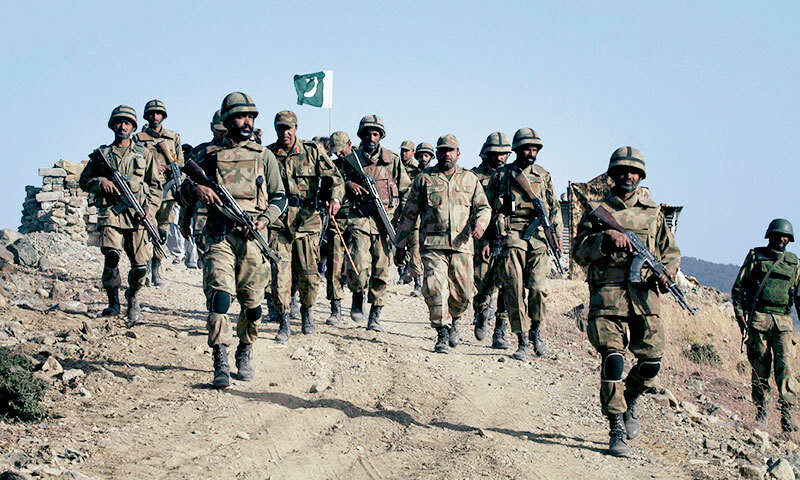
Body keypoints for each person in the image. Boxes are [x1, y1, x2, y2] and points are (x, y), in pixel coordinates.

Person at [572, 146, 680, 457]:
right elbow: (578, 251)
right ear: (613, 174)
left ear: (640, 176)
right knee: (613, 361)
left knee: (651, 362)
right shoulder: (598, 211)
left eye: (633, 171)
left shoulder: (653, 213)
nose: (628, 176)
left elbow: (670, 253)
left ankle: (630, 397)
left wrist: (667, 273)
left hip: (645, 299)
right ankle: (616, 425)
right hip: (608, 297)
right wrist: (603, 240)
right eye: (622, 171)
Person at [180, 92, 287, 388]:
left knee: (253, 307)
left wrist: (264, 220)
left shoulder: (263, 155)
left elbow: (280, 197)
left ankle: (244, 349)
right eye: (241, 116)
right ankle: (220, 358)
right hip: (219, 236)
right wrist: (196, 190)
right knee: (220, 299)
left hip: (253, 238)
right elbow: (181, 191)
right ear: (227, 121)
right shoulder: (208, 154)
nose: (247, 121)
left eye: (251, 116)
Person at [395, 134, 491, 352]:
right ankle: (442, 333)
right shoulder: (424, 179)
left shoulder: (470, 179)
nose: (446, 154)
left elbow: (484, 207)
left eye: (451, 150)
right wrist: (400, 244)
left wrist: (480, 224)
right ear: (437, 154)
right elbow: (409, 213)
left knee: (464, 294)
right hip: (432, 245)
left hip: (462, 246)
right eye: (442, 151)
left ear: (458, 154)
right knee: (435, 289)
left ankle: (455, 319)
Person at [79, 105, 162, 326]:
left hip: (137, 215)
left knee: (140, 266)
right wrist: (100, 182)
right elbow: (84, 181)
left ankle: (132, 296)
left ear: (133, 127)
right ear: (112, 125)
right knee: (111, 256)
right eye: (118, 122)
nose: (122, 126)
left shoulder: (144, 154)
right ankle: (113, 302)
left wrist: (150, 211)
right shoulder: (103, 155)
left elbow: (156, 186)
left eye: (127, 123)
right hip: (111, 214)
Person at [267, 110, 343, 342]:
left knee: (309, 275)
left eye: (288, 128)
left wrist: (335, 198)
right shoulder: (268, 155)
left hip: (307, 221)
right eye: (280, 128)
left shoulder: (312, 151)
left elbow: (335, 178)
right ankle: (284, 320)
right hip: (278, 222)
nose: (285, 133)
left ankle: (307, 311)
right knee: (280, 273)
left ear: (296, 128)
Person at [486, 128, 561, 360]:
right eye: (527, 149)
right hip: (511, 234)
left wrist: (556, 236)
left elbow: (554, 207)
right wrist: (490, 239)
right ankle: (522, 339)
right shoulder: (503, 175)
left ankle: (536, 330)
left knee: (538, 287)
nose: (531, 153)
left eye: (534, 149)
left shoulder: (543, 175)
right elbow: (487, 207)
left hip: (538, 235)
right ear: (517, 150)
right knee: (514, 288)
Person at [342, 115, 411, 331]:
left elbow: (406, 190)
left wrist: (401, 219)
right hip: (360, 220)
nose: (371, 138)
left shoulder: (393, 161)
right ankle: (357, 294)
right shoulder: (351, 160)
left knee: (381, 269)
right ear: (361, 135)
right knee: (357, 264)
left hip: (385, 222)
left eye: (375, 134)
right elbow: (335, 182)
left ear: (381, 136)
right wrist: (348, 184)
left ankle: (375, 314)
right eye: (367, 134)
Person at [732, 218, 800, 432]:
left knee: (785, 369)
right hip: (759, 319)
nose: (781, 239)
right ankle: (761, 412)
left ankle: (787, 416)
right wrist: (740, 316)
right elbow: (738, 289)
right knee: (760, 368)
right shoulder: (756, 257)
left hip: (784, 323)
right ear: (770, 236)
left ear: (789, 239)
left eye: (785, 236)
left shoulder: (794, 263)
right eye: (778, 235)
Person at [133, 99, 184, 286]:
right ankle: (145, 268)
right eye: (152, 113)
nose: (155, 117)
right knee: (146, 229)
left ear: (163, 116)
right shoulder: (138, 138)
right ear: (146, 116)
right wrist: (152, 167)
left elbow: (180, 163)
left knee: (162, 230)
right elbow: (134, 161)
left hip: (167, 191)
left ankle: (157, 267)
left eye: (158, 113)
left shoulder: (173, 137)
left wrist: (169, 166)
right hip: (146, 191)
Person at [472, 133, 511, 349]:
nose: (499, 158)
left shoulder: (513, 176)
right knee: (482, 282)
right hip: (481, 238)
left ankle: (500, 330)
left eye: (503, 153)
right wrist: (484, 239)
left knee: (507, 283)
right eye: (495, 153)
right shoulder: (474, 177)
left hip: (507, 238)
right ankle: (481, 312)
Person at [324, 131, 354, 325]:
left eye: (341, 150)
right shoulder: (332, 166)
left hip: (360, 219)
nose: (338, 154)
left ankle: (359, 298)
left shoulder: (361, 163)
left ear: (349, 143)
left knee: (359, 263)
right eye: (335, 151)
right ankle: (336, 307)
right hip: (338, 219)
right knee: (335, 264)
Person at [405, 142, 435, 296]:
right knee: (415, 250)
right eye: (421, 155)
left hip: (431, 219)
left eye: (426, 155)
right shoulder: (410, 173)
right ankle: (418, 283)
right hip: (415, 218)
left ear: (431, 157)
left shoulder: (435, 174)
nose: (423, 158)